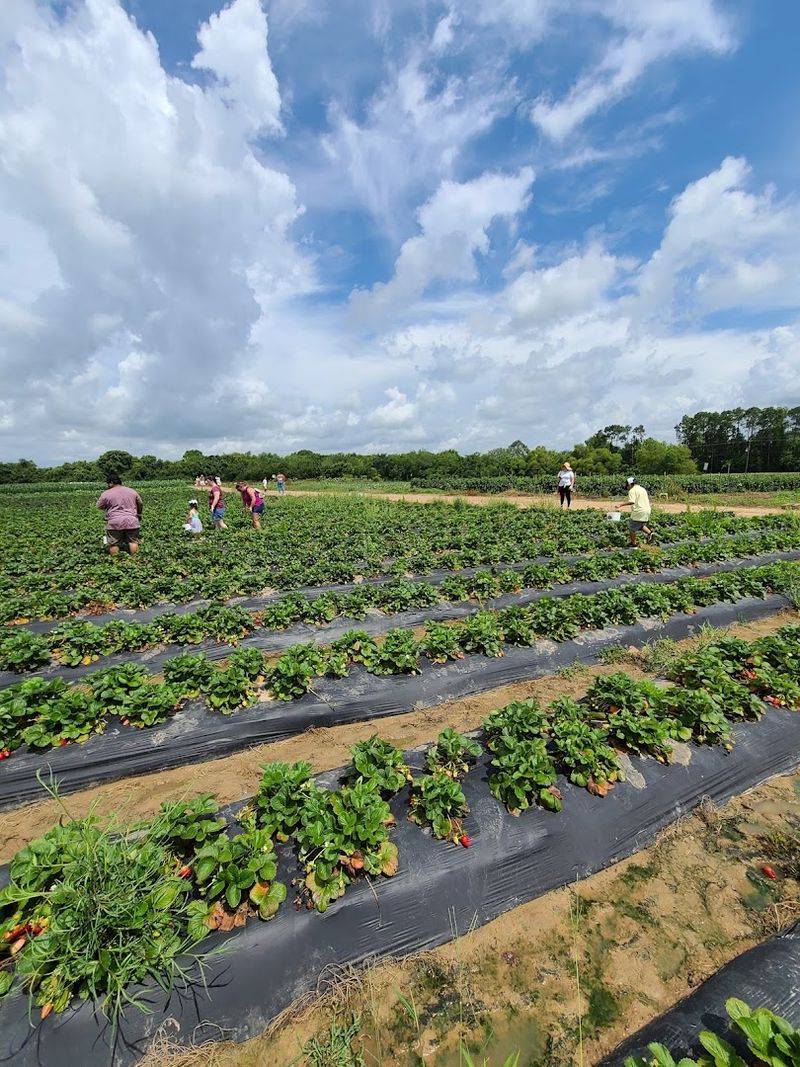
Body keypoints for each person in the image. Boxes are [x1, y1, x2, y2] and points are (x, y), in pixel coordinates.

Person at [97, 474, 143, 555]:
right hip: (131, 520)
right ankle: (135, 561)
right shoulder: (132, 491)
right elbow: (140, 503)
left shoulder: (106, 493)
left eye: (108, 484)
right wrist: (139, 514)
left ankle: (115, 563)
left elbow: (99, 506)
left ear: (111, 483)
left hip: (115, 521)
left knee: (114, 544)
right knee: (133, 542)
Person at [616, 476, 653, 546]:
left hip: (639, 511)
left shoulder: (632, 490)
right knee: (639, 525)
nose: (627, 487)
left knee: (631, 527)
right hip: (647, 510)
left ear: (630, 484)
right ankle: (650, 534)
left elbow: (632, 501)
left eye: (627, 485)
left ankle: (633, 544)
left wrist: (620, 505)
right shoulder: (642, 489)